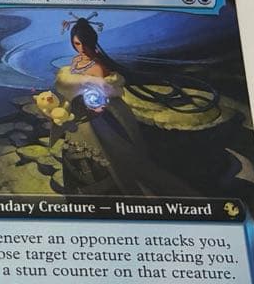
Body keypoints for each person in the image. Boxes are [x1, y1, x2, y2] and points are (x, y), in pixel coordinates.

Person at [34, 16, 205, 195]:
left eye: (85, 43)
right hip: (79, 117)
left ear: (92, 42)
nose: (82, 48)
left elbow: (101, 94)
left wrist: (92, 101)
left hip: (98, 119)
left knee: (112, 158)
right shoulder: (76, 61)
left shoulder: (98, 66)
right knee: (77, 156)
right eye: (77, 44)